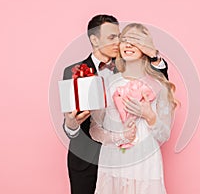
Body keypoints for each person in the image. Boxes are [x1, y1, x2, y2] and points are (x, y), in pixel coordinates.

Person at [62, 15, 169, 194]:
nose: (118, 42)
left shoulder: (128, 66)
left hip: (126, 160)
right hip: (86, 160)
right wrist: (71, 125)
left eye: (119, 36)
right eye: (111, 37)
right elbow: (72, 122)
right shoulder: (73, 71)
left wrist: (154, 55)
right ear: (94, 39)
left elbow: (161, 81)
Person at [89, 23, 177, 194]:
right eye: (125, 40)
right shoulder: (107, 84)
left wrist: (149, 115)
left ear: (146, 48)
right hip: (113, 162)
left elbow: (164, 134)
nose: (128, 45)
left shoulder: (158, 86)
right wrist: (119, 137)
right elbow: (94, 129)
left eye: (135, 41)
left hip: (144, 164)